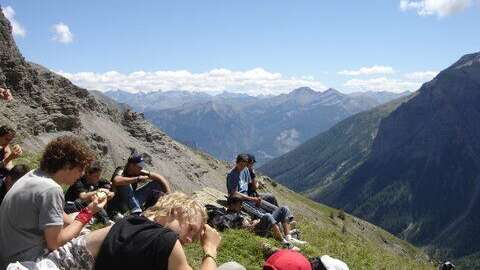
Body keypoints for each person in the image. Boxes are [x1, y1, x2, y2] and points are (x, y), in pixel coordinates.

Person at [0, 136, 107, 268]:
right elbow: (55, 243)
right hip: (24, 261)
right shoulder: (52, 189)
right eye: (80, 169)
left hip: (7, 252)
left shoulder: (34, 175)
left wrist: (77, 222)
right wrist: (88, 212)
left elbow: (59, 214)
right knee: (93, 245)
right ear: (67, 166)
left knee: (74, 217)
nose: (82, 174)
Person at [54, 192, 226, 270]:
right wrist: (210, 249)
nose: (189, 239)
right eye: (190, 229)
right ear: (176, 211)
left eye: (193, 237)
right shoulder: (163, 239)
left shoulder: (132, 222)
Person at [226, 195, 306, 247]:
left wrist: (254, 221)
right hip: (255, 231)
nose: (241, 206)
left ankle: (289, 237)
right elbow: (242, 229)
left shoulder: (238, 212)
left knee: (283, 209)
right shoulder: (231, 216)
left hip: (257, 225)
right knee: (267, 216)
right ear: (232, 205)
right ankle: (284, 243)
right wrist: (253, 224)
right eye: (239, 204)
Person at [107, 153, 171, 217]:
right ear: (132, 165)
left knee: (156, 184)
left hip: (132, 201)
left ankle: (148, 211)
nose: (141, 168)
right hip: (119, 203)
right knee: (124, 182)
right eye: (139, 166)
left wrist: (169, 194)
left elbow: (159, 177)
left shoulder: (138, 171)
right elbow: (116, 180)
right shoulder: (121, 170)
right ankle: (136, 212)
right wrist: (137, 179)